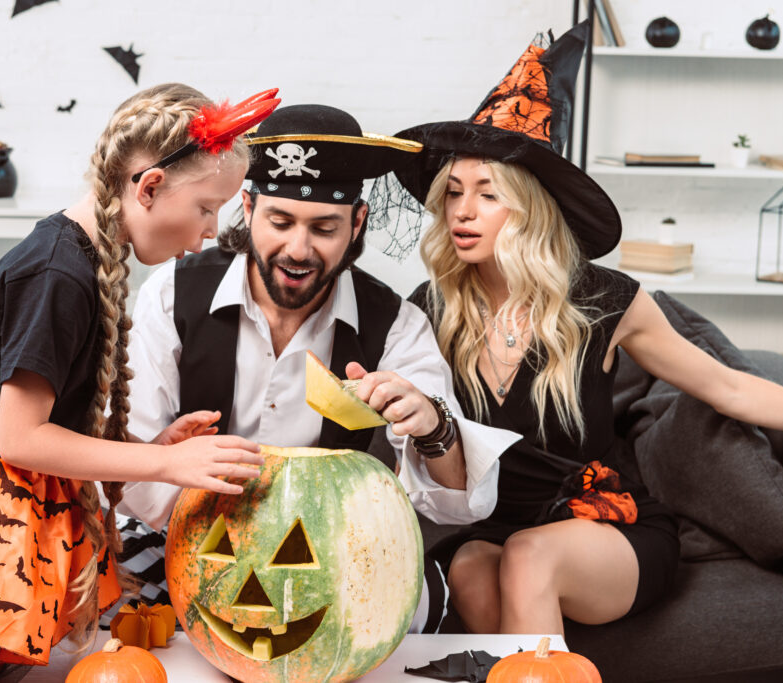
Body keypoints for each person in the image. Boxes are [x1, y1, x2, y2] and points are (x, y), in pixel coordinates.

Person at [0, 83, 279, 681]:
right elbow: (21, 438)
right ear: (148, 187)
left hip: (13, 488)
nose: (210, 232)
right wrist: (167, 469)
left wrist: (147, 451)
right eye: (205, 208)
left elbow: (53, 425)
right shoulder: (57, 274)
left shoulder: (85, 257)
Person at [381, 22, 783, 635]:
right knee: (474, 565)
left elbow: (731, 389)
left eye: (487, 193)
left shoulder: (607, 301)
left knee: (531, 556)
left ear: (530, 206)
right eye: (452, 192)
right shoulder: (430, 308)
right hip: (494, 531)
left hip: (604, 526)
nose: (462, 211)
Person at [116, 103, 521, 633]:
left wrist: (433, 425)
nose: (298, 249)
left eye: (324, 228)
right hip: (189, 538)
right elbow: (134, 472)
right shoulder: (171, 296)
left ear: (356, 224)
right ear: (247, 207)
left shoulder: (395, 324)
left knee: (401, 611)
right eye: (280, 222)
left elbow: (457, 502)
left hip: (319, 556)